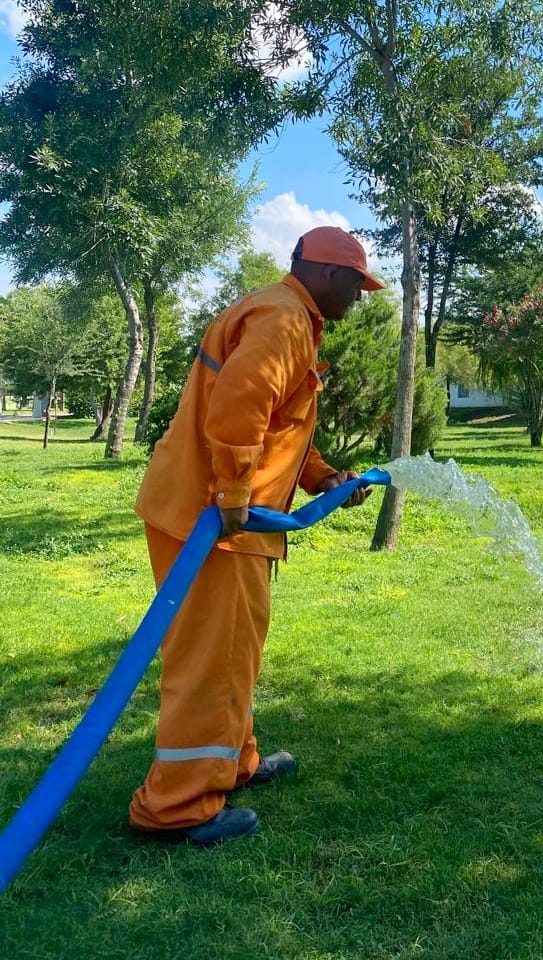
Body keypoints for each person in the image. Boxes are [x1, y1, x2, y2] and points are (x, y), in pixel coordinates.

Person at [129, 226, 385, 844]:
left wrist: (322, 478)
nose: (359, 298)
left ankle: (233, 764)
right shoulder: (285, 318)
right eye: (356, 285)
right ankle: (178, 806)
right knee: (210, 662)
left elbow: (279, 422)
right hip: (212, 525)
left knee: (233, 653)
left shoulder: (284, 312)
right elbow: (241, 404)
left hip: (216, 520)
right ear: (327, 273)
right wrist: (236, 495)